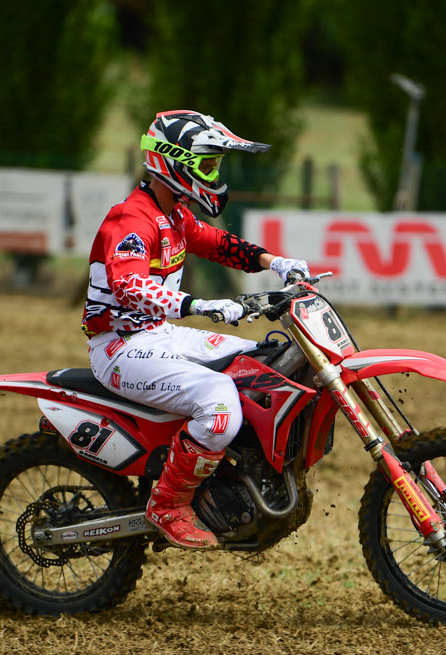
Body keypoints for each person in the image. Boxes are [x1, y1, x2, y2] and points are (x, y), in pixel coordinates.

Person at [82, 110, 310, 549]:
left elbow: (219, 243)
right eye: (207, 165)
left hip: (159, 334)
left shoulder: (174, 215)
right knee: (219, 404)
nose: (213, 175)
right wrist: (198, 305)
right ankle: (167, 504)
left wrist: (276, 262)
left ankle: (238, 477)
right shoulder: (131, 219)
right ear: (174, 162)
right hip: (119, 348)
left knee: (262, 363)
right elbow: (128, 285)